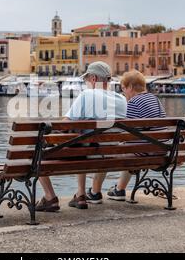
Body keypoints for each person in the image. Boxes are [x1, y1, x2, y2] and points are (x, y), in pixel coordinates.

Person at [35, 61, 127, 212]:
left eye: (86, 80)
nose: (85, 83)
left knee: (35, 149)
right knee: (81, 143)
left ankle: (50, 197)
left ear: (93, 79)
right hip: (110, 153)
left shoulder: (87, 95)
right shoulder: (121, 99)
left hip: (88, 153)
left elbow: (64, 125)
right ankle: (81, 194)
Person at [86, 70, 167, 203]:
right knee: (129, 147)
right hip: (161, 151)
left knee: (107, 152)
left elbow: (121, 131)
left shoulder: (134, 102)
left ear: (130, 87)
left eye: (123, 88)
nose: (123, 92)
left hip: (144, 153)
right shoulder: (155, 99)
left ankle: (94, 193)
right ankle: (119, 190)